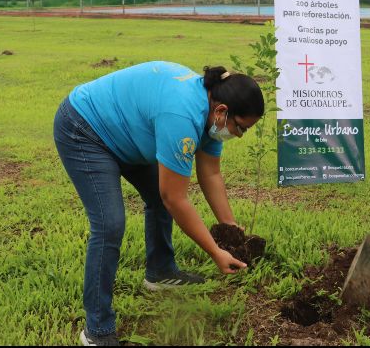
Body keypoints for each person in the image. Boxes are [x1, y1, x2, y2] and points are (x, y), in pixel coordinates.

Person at [53, 61, 264, 346]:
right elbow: (175, 198)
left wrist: (231, 230)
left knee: (158, 193)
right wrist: (215, 252)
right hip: (85, 128)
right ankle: (97, 331)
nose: (239, 135)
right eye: (241, 128)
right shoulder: (182, 115)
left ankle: (161, 272)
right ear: (223, 111)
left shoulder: (210, 116)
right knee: (110, 225)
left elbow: (211, 173)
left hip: (125, 132)